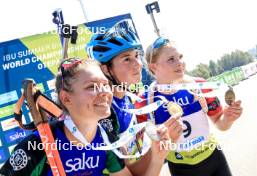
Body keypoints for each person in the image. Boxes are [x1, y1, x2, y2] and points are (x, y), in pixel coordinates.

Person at [0, 58, 170, 176]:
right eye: (92, 87)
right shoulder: (37, 145)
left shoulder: (106, 137)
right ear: (66, 98)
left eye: (105, 85)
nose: (104, 92)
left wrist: (157, 157)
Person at [87, 22, 183, 175]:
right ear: (106, 69)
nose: (138, 64)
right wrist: (159, 153)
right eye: (127, 59)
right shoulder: (104, 115)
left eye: (136, 56)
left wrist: (160, 145)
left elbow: (136, 166)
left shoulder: (130, 101)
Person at [141, 37, 243, 176]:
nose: (180, 63)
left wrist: (229, 118)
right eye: (171, 59)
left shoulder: (199, 85)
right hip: (180, 168)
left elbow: (221, 125)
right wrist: (166, 140)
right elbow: (148, 154)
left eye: (180, 57)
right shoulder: (145, 101)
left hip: (214, 159)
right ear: (154, 67)